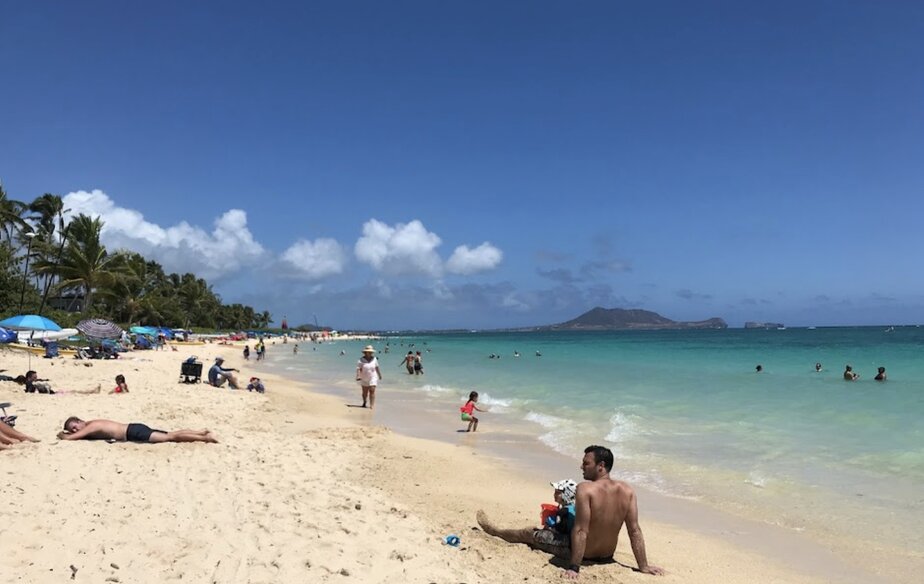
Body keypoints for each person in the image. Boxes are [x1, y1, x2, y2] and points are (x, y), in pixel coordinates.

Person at [477, 445, 664, 578]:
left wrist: (574, 567)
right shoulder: (628, 491)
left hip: (581, 554)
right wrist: (643, 566)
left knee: (529, 533)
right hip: (608, 556)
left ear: (601, 466)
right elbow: (635, 530)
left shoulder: (586, 489)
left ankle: (494, 531)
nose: (581, 467)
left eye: (586, 463)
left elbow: (581, 530)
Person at [58, 417, 218, 443]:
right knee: (170, 434)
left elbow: (71, 439)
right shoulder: (93, 423)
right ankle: (200, 431)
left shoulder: (91, 426)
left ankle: (205, 438)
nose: (74, 431)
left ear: (79, 421)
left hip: (133, 433)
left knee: (170, 437)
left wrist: (62, 434)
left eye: (74, 427)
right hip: (133, 427)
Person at [13, 371, 100, 395]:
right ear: (29, 377)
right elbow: (32, 391)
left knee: (73, 391)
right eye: (35, 377)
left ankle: (91, 391)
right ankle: (91, 392)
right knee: (73, 392)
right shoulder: (29, 384)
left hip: (53, 393)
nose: (36, 378)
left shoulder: (29, 383)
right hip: (53, 394)